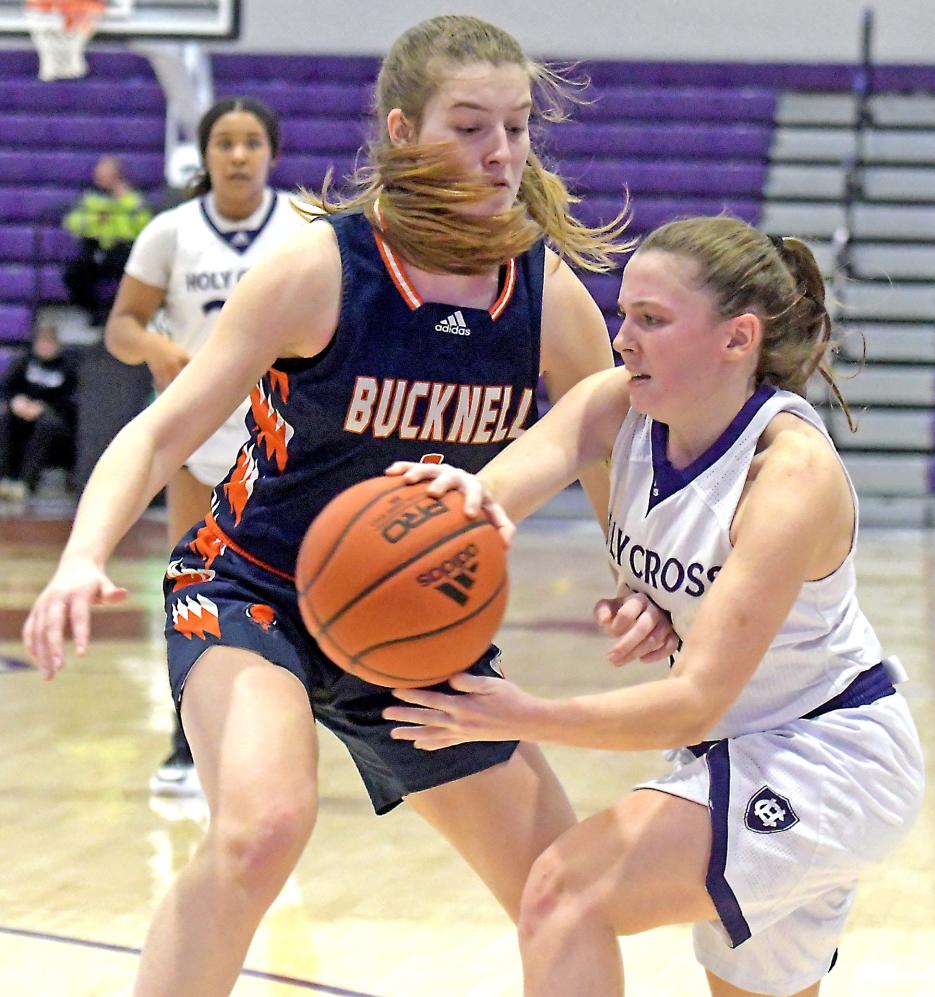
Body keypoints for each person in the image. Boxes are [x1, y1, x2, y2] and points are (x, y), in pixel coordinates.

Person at [21, 17, 674, 996]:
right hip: (254, 589)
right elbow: (160, 431)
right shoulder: (320, 267)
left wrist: (639, 570)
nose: (501, 151)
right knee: (263, 827)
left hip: (413, 617)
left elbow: (605, 449)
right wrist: (81, 557)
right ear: (404, 132)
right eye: (470, 126)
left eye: (518, 126)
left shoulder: (547, 293)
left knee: (560, 887)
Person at [383, 216, 926, 997]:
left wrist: (515, 712)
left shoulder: (789, 476)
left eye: (652, 319)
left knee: (562, 892)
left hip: (826, 757)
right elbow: (490, 496)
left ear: (737, 339)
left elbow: (688, 703)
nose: (624, 338)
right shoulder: (617, 406)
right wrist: (423, 522)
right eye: (622, 314)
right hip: (740, 749)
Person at [104, 96, 306, 798]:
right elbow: (120, 326)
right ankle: (185, 741)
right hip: (198, 430)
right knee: (191, 588)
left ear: (272, 153)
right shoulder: (171, 231)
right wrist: (158, 347)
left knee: (289, 591)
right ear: (206, 154)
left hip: (282, 434)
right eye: (226, 142)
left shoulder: (306, 225)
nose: (240, 155)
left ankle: (287, 734)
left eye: (253, 142)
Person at [62, 155, 153, 325]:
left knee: (136, 275)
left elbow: (143, 225)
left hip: (124, 248)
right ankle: (95, 314)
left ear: (118, 176)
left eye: (106, 175)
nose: (100, 179)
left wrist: (121, 202)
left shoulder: (133, 199)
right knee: (73, 275)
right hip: (95, 246)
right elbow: (72, 222)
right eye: (99, 175)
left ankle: (122, 315)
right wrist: (96, 221)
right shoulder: (89, 197)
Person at [0, 318, 77, 502]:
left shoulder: (66, 367)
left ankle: (26, 483)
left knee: (46, 425)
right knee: (4, 418)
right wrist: (16, 401)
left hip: (51, 416)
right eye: (42, 342)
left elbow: (70, 400)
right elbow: (9, 388)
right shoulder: (24, 362)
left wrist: (43, 407)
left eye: (49, 343)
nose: (45, 347)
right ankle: (4, 477)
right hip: (21, 411)